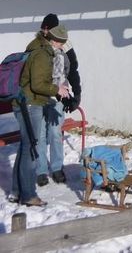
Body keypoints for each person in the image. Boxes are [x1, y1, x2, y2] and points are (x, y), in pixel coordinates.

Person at [10, 24, 70, 206]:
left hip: (26, 103)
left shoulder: (38, 49)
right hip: (30, 104)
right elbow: (37, 84)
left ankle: (17, 191)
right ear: (54, 41)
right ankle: (28, 195)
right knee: (30, 149)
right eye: (61, 44)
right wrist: (57, 89)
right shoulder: (43, 54)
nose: (62, 47)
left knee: (25, 147)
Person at [36, 14, 82, 186]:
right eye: (44, 28)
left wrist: (76, 95)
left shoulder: (65, 45)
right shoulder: (37, 45)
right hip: (40, 97)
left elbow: (73, 71)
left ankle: (56, 168)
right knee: (39, 134)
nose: (44, 31)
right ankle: (41, 170)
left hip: (57, 98)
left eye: (47, 28)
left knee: (55, 133)